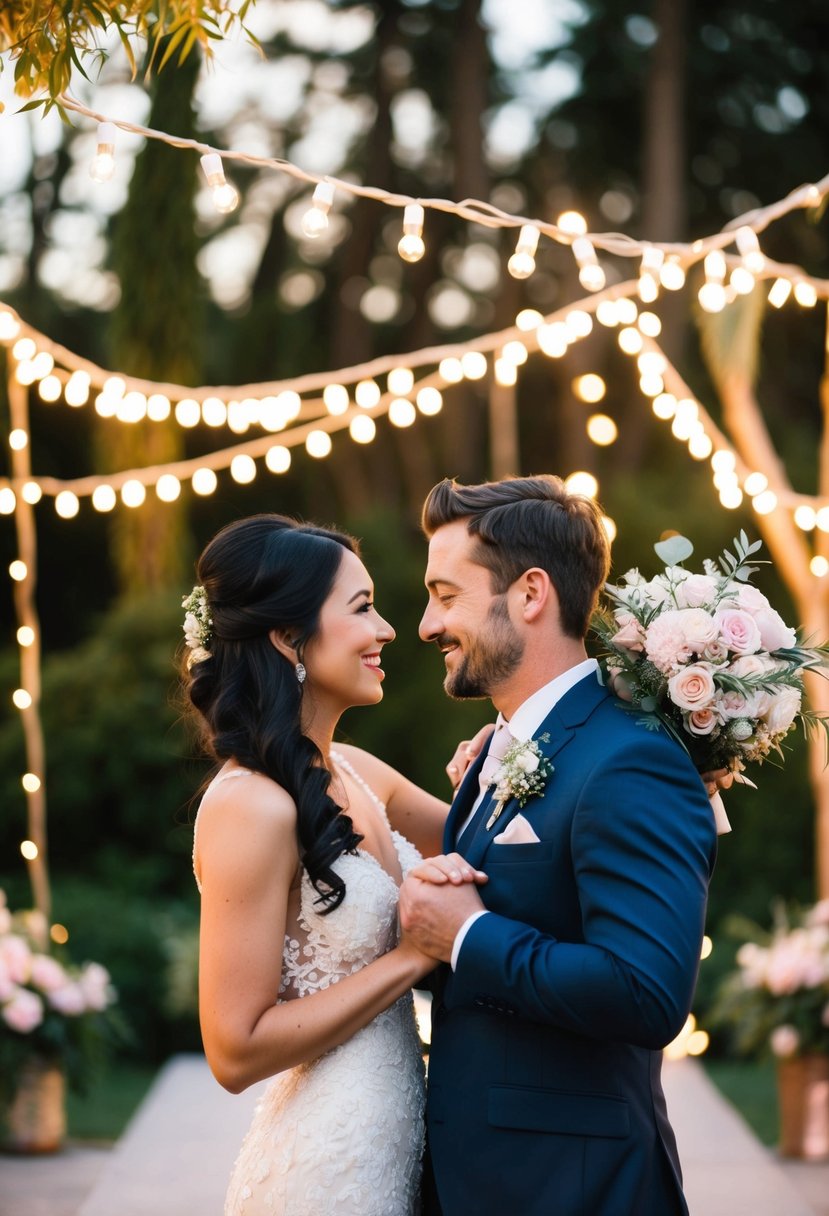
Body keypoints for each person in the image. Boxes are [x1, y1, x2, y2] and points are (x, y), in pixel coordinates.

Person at [399, 475, 718, 1216]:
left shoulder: (627, 759)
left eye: (445, 596)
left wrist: (468, 935)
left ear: (530, 594)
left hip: (576, 1189)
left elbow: (646, 992)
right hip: (480, 1181)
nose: (424, 624)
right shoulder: (493, 754)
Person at [183, 513, 455, 1216]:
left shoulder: (361, 774)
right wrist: (410, 958)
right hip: (327, 1172)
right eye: (362, 608)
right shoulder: (250, 807)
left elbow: (510, 842)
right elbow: (233, 1051)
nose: (388, 629)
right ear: (286, 637)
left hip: (399, 1145)